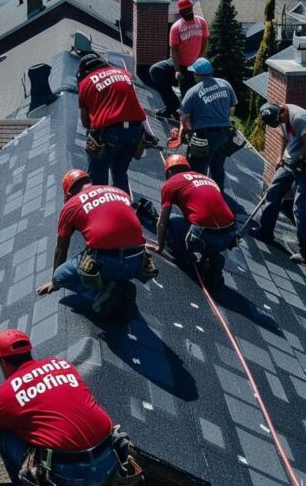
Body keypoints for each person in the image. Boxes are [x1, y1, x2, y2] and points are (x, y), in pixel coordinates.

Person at [0, 329, 119, 486]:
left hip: (72, 476)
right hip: (111, 459)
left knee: (2, 433)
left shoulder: (1, 396)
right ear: (29, 352)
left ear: (2, 362)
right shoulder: (62, 365)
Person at [36, 170, 153, 317]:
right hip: (137, 262)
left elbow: (61, 248)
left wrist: (54, 282)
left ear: (68, 193)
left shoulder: (72, 204)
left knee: (61, 276)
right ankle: (120, 287)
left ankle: (102, 295)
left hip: (106, 262)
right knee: (98, 253)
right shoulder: (118, 192)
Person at [249, 103, 306, 264]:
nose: (279, 123)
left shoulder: (300, 119)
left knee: (300, 207)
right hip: (291, 161)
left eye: (279, 120)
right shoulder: (280, 117)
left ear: (282, 112)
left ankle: (305, 252)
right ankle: (265, 231)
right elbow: (283, 135)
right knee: (273, 192)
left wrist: (297, 159)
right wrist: (281, 156)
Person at [147, 155, 237, 288]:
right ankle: (210, 256)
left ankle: (187, 256)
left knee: (171, 225)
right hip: (229, 236)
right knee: (199, 221)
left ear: (169, 171)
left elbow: (162, 221)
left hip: (202, 236)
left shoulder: (171, 184)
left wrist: (159, 247)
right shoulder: (209, 180)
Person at [76, 52, 146, 195]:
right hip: (135, 131)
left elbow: (85, 122)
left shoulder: (85, 83)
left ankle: (103, 210)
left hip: (109, 133)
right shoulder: (124, 74)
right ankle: (123, 207)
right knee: (120, 174)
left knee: (98, 180)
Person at [179, 58, 237, 194]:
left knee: (198, 169)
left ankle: (199, 197)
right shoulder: (225, 84)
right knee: (217, 168)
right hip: (224, 134)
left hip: (203, 136)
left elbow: (184, 118)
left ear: (196, 74)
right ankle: (217, 196)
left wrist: (185, 131)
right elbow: (232, 110)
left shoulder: (193, 92)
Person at [149, 0, 209, 120]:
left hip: (193, 67)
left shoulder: (201, 22)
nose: (188, 12)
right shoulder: (176, 27)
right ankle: (172, 105)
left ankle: (187, 119)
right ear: (181, 12)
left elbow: (204, 41)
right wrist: (177, 70)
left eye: (189, 9)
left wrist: (198, 60)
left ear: (192, 8)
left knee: (188, 98)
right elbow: (174, 49)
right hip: (178, 63)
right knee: (155, 70)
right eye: (185, 11)